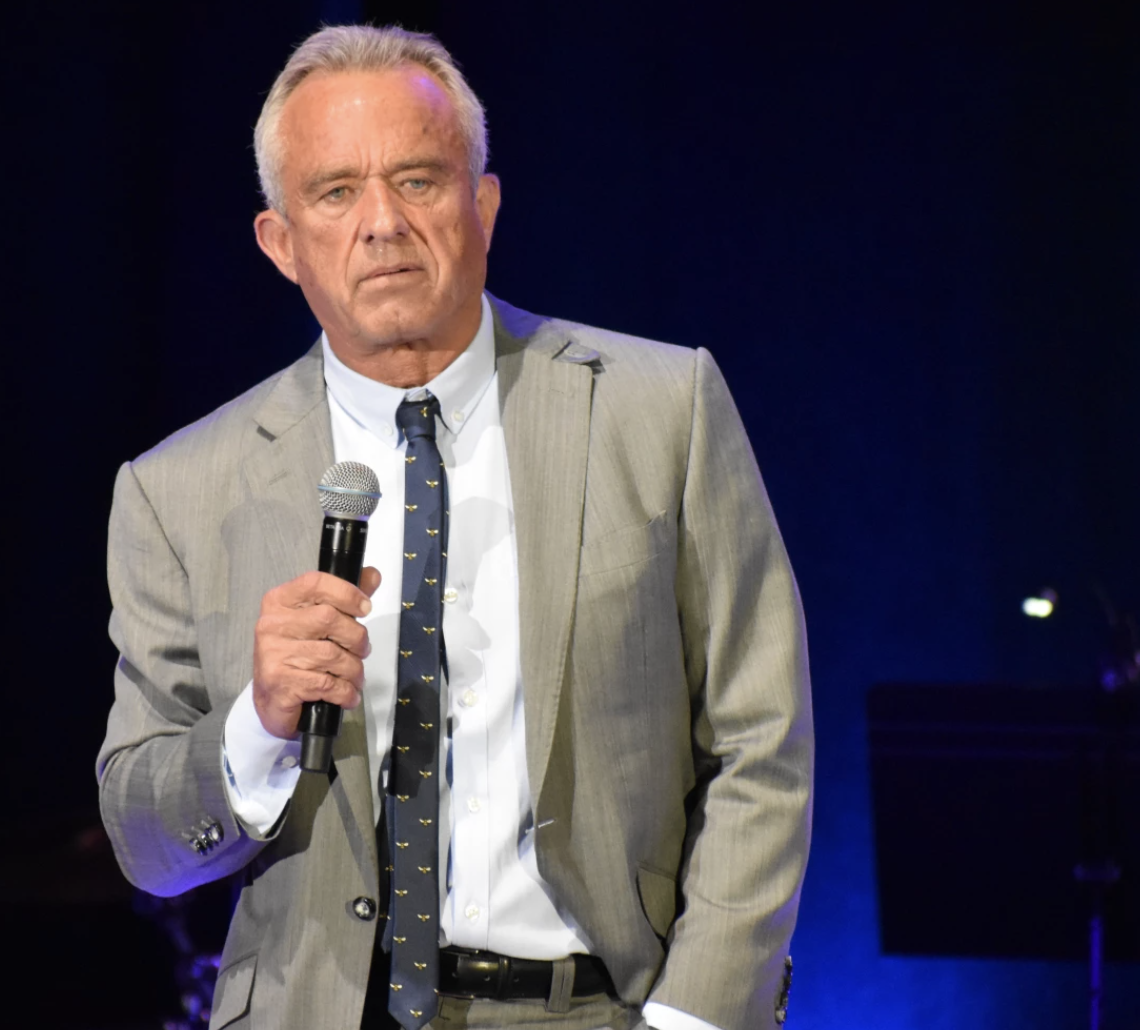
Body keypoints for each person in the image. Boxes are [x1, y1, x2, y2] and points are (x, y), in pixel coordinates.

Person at [96, 25, 812, 1030]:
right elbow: (144, 838)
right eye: (336, 193)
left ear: (484, 203)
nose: (382, 222)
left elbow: (761, 740)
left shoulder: (662, 411)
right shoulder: (178, 491)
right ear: (281, 242)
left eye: (420, 180)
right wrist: (255, 723)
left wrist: (697, 1016)